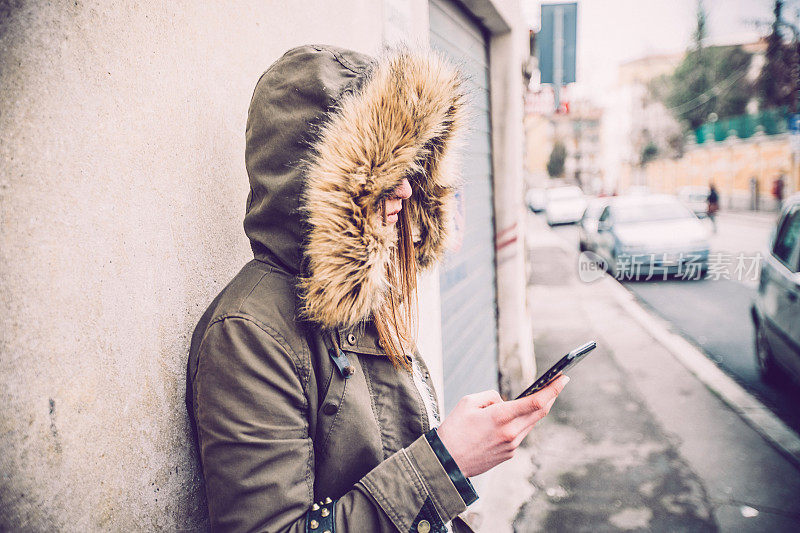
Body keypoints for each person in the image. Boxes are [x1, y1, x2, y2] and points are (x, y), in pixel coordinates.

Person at [185, 44, 568, 533]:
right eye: (381, 168)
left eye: (408, 166)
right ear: (317, 178)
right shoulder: (248, 336)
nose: (405, 190)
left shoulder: (365, 301)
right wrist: (447, 460)